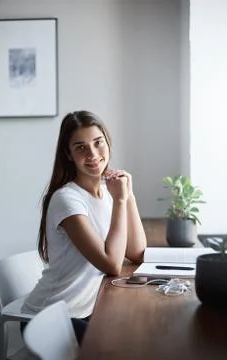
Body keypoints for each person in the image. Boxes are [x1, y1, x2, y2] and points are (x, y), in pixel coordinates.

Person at [21, 110, 147, 344]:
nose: (93, 154)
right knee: (126, 344)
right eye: (80, 147)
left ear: (108, 142)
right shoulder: (66, 200)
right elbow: (112, 265)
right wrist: (120, 200)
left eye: (98, 143)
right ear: (68, 154)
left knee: (142, 331)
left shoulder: (108, 192)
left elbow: (137, 252)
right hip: (53, 317)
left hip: (90, 308)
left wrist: (128, 196)